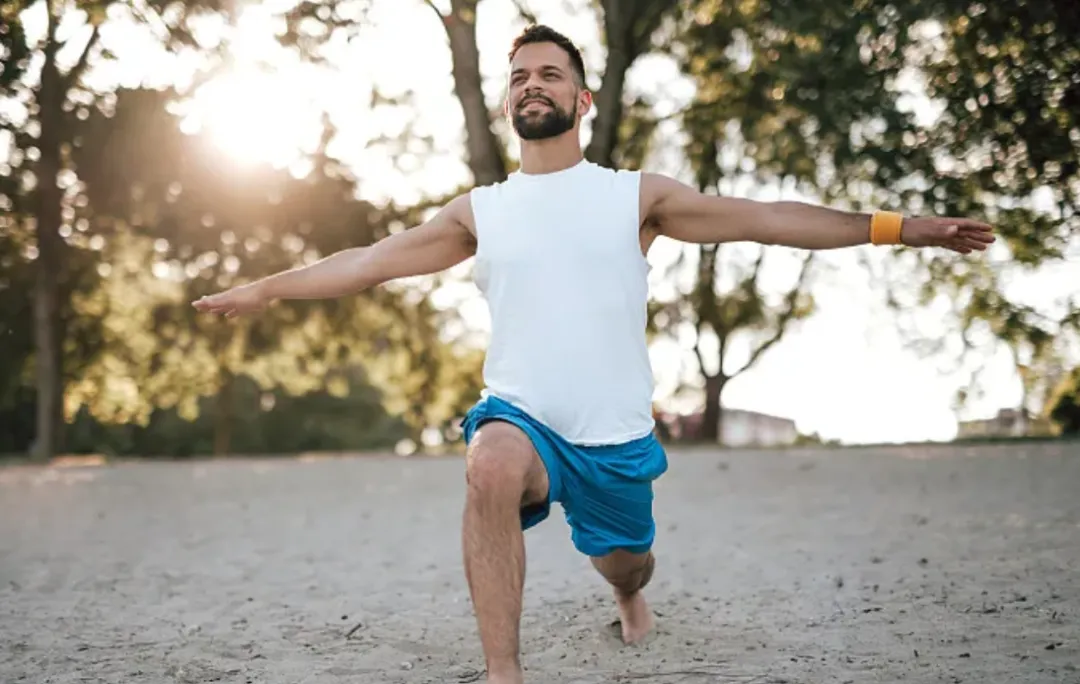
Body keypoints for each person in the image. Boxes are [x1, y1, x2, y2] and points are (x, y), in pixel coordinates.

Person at [193, 24, 995, 684]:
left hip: (614, 441)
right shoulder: (481, 212)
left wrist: (900, 228)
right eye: (518, 77)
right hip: (521, 418)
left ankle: (629, 598)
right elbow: (366, 261)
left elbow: (764, 218)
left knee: (627, 562)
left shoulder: (634, 198)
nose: (530, 84)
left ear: (582, 99)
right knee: (490, 466)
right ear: (509, 101)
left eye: (548, 74)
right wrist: (265, 288)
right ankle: (503, 673)